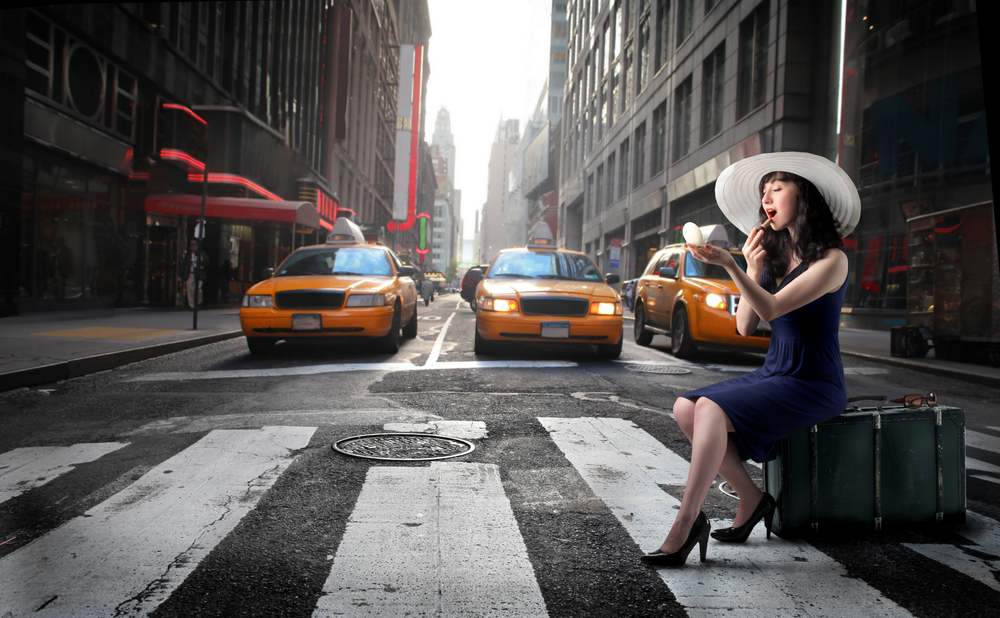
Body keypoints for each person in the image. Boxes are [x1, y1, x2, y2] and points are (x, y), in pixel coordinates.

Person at [640, 152, 861, 567]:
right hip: (776, 371)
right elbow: (746, 325)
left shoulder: (833, 261)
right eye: (763, 192)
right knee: (686, 407)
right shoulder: (774, 260)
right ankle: (753, 498)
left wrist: (732, 265)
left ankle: (687, 522)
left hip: (814, 381)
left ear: (805, 197)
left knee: (709, 408)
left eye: (776, 188)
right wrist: (753, 265)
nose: (766, 199)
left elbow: (773, 310)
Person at [179, 239, 210, 309]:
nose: (193, 247)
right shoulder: (188, 255)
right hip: (190, 273)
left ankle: (198, 302)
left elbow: (207, 262)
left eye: (194, 246)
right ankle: (192, 305)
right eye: (192, 246)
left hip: (198, 273)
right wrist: (181, 275)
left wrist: (198, 262)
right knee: (190, 290)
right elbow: (184, 265)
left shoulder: (201, 253)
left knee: (198, 289)